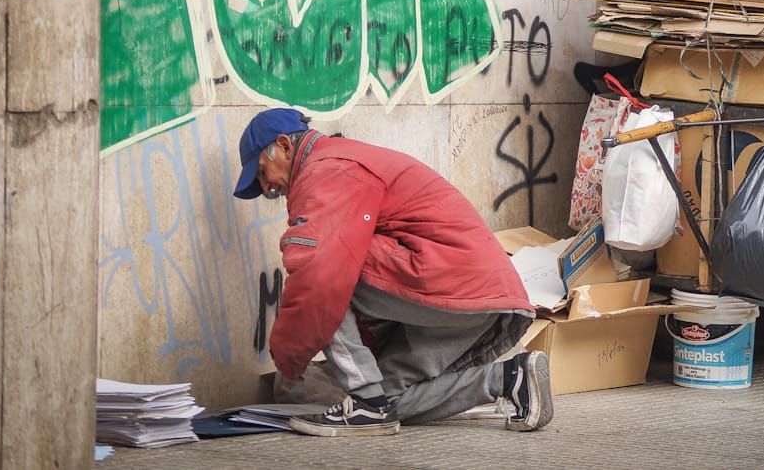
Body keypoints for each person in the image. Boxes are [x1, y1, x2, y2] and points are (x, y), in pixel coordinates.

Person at [232, 108, 552, 436]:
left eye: (261, 172)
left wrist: (288, 354)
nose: (266, 187)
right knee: (389, 399)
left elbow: (319, 275)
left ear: (285, 146)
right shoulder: (338, 163)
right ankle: (510, 378)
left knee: (327, 265)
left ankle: (367, 403)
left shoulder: (327, 169)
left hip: (454, 285)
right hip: (474, 294)